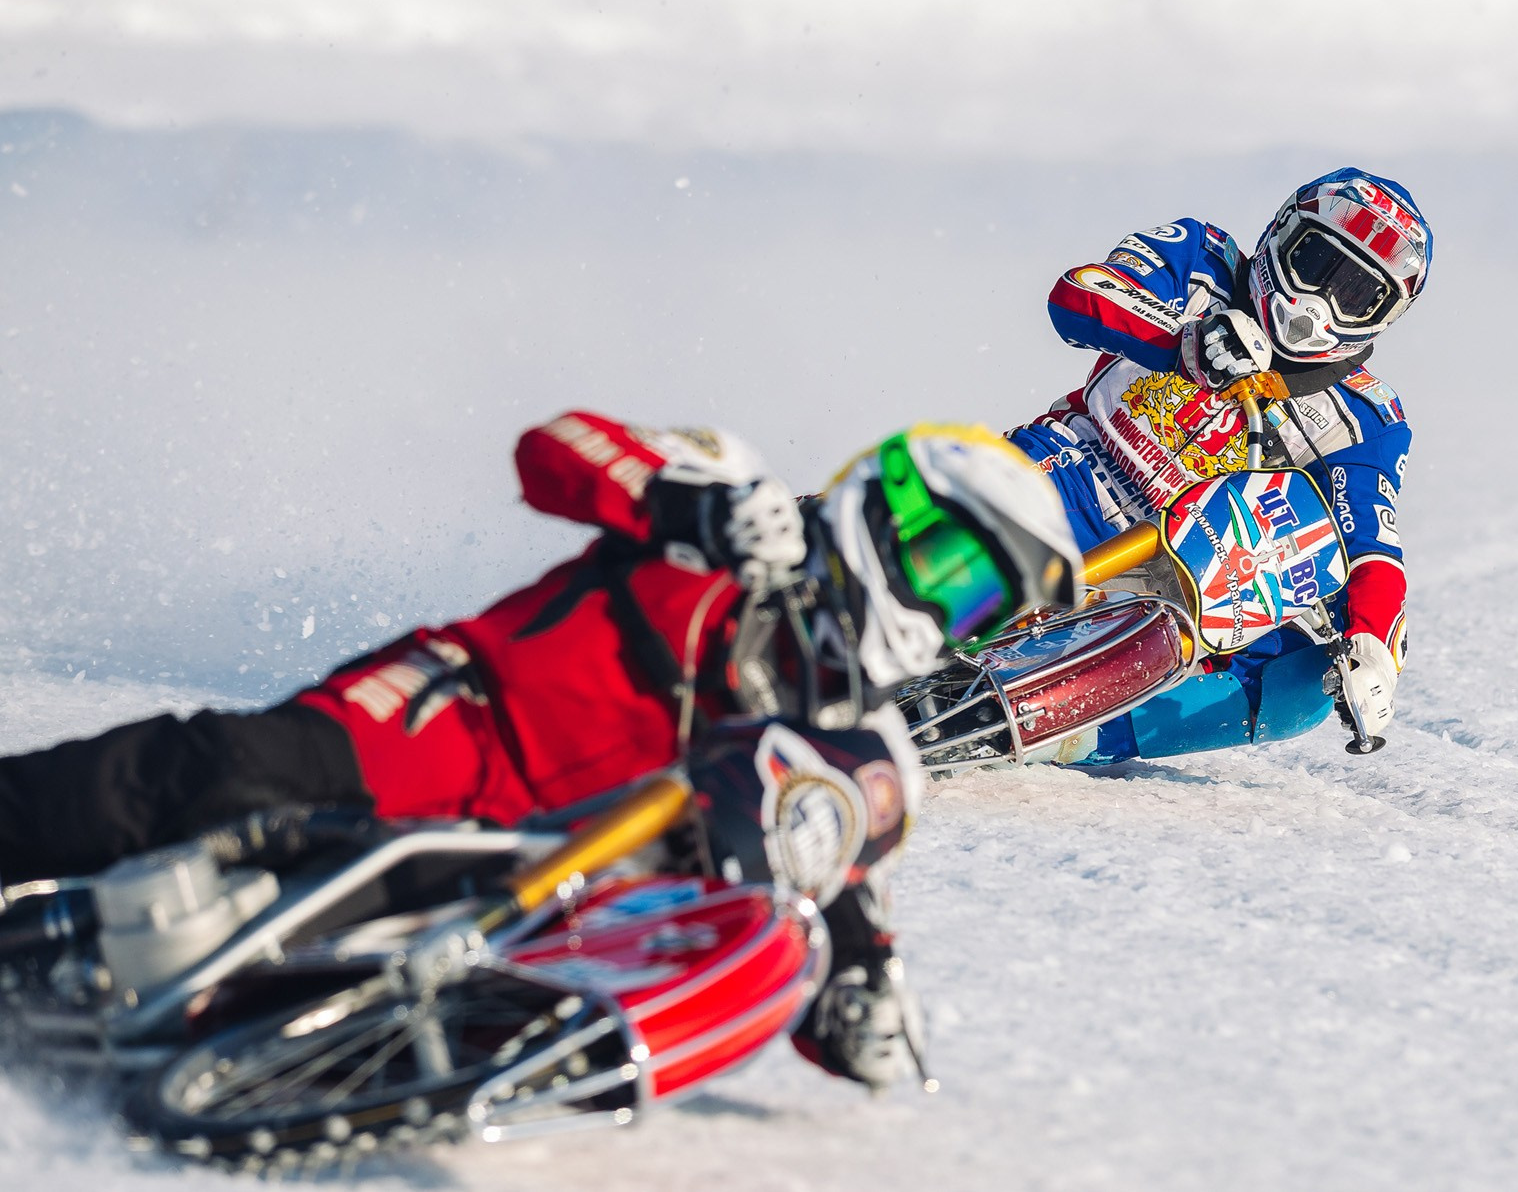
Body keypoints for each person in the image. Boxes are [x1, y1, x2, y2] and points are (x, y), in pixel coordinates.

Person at [0, 411, 1079, 1086]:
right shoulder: (744, 505)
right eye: (949, 563)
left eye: (979, 604)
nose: (943, 610)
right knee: (209, 779)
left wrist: (863, 995)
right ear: (892, 507)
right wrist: (679, 497)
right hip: (438, 730)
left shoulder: (867, 754)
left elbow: (837, 885)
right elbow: (553, 451)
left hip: (544, 873)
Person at [1005, 168, 1429, 763]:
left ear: (1380, 319)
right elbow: (1077, 296)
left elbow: (1371, 547)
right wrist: (1182, 343)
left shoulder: (1365, 417)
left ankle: (1076, 732)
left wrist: (1373, 645)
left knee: (1301, 680)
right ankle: (861, 567)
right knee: (967, 507)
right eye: (1316, 266)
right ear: (1283, 236)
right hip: (1075, 470)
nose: (1319, 304)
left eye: (1356, 296)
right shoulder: (1200, 257)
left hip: (1179, 578)